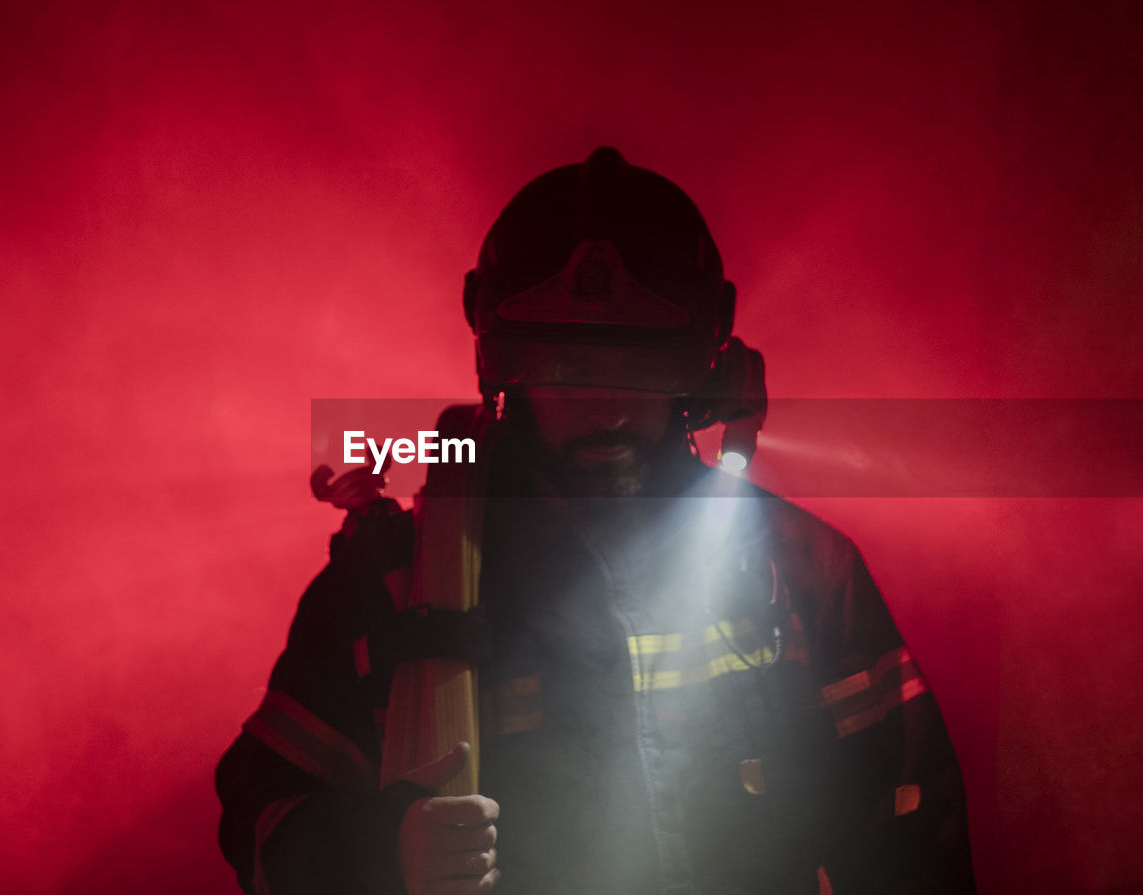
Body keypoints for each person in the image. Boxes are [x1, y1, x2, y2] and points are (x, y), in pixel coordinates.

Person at [216, 147, 976, 895]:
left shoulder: (800, 570)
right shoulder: (396, 584)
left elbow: (909, 821)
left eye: (638, 371)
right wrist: (383, 854)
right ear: (510, 370)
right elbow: (260, 812)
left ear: (697, 375)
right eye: (567, 370)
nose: (605, 407)